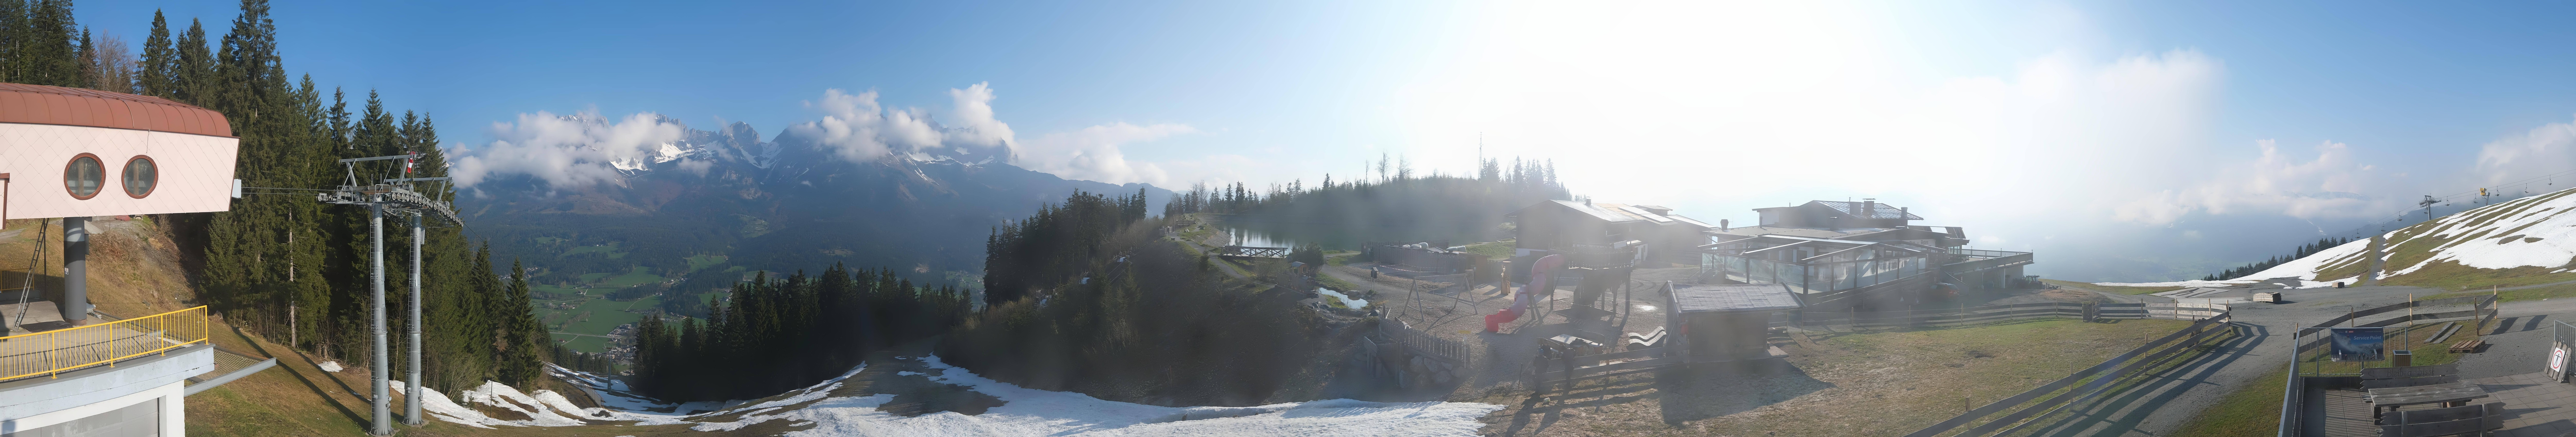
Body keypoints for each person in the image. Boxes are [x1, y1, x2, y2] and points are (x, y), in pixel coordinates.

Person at [1486, 254, 1565, 332]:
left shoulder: (1540, 267)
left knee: (1515, 308)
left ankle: (1492, 319)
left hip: (1523, 292)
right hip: (1524, 293)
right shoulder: (1540, 269)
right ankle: (1493, 321)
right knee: (1514, 310)